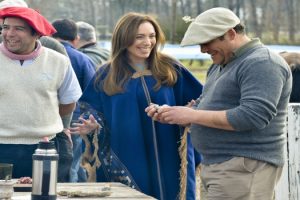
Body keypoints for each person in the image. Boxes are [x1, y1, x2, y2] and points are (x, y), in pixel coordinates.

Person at [146, 7, 292, 200]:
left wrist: (191, 115)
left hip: (243, 169)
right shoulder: (221, 64)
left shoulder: (262, 63)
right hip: (226, 168)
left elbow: (252, 116)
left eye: (207, 42)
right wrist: (176, 114)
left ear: (231, 33)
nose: (203, 49)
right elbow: (206, 108)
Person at [69, 12, 203, 200]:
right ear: (124, 38)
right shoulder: (106, 74)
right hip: (127, 151)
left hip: (169, 151)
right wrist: (93, 127)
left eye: (152, 36)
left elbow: (203, 99)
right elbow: (89, 112)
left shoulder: (170, 68)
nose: (147, 42)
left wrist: (190, 110)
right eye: (139, 37)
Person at [0, 7, 82, 178]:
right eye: (6, 27)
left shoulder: (58, 61)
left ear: (36, 33)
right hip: (2, 148)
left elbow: (68, 103)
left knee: (46, 195)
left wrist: (41, 121)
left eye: (18, 29)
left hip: (47, 147)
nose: (9, 33)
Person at [52, 19, 96, 182]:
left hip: (45, 120)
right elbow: (93, 92)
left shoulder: (43, 55)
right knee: (72, 164)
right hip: (75, 120)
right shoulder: (83, 59)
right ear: (76, 39)